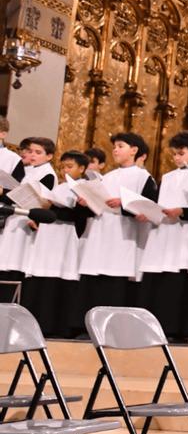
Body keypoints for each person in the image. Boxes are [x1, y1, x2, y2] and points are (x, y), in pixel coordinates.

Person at [137, 132, 188, 339]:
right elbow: (157, 203)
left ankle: (175, 330)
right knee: (157, 278)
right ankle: (152, 328)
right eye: (175, 154)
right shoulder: (167, 177)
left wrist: (183, 211)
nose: (177, 158)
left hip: (184, 234)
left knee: (177, 282)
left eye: (182, 153)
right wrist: (148, 213)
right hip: (161, 234)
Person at [76, 133, 158, 312]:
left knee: (116, 277)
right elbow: (99, 203)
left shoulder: (143, 177)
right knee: (95, 274)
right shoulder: (108, 176)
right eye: (114, 146)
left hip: (125, 234)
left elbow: (150, 207)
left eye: (121, 146)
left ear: (134, 150)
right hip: (102, 230)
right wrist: (87, 202)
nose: (115, 150)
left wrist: (124, 202)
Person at [21, 150, 89, 337]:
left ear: (82, 169)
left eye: (69, 167)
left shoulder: (83, 186)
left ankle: (58, 327)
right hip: (48, 236)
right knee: (40, 276)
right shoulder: (59, 187)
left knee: (60, 276)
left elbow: (78, 216)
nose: (64, 170)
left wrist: (56, 208)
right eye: (62, 167)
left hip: (65, 236)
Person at [0, 137, 58, 284]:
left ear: (49, 156)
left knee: (16, 262)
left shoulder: (48, 174)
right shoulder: (29, 170)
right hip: (15, 218)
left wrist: (4, 193)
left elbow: (43, 201)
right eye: (30, 151)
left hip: (27, 221)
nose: (32, 155)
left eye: (38, 152)